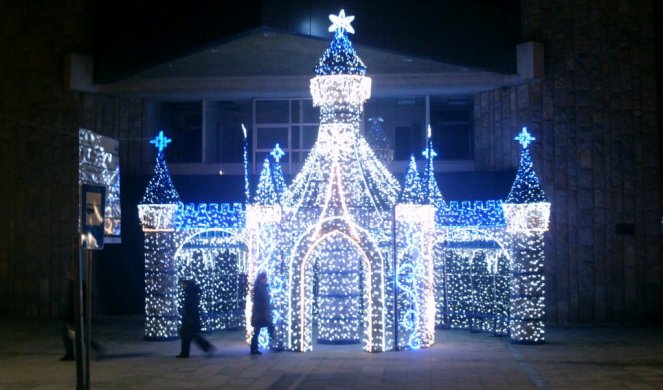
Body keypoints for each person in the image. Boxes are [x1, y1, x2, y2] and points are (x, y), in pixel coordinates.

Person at [177, 279, 216, 358]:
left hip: (190, 318)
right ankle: (186, 352)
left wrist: (190, 319)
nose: (182, 286)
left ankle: (186, 352)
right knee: (189, 336)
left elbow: (192, 308)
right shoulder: (191, 294)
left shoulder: (191, 295)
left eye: (183, 284)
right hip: (190, 318)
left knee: (189, 336)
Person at [250, 272, 275, 355]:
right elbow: (262, 300)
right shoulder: (259, 288)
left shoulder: (262, 287)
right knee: (259, 330)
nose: (265, 280)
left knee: (259, 330)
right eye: (264, 279)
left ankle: (254, 348)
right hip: (260, 314)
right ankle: (254, 348)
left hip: (262, 313)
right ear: (261, 279)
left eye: (266, 278)